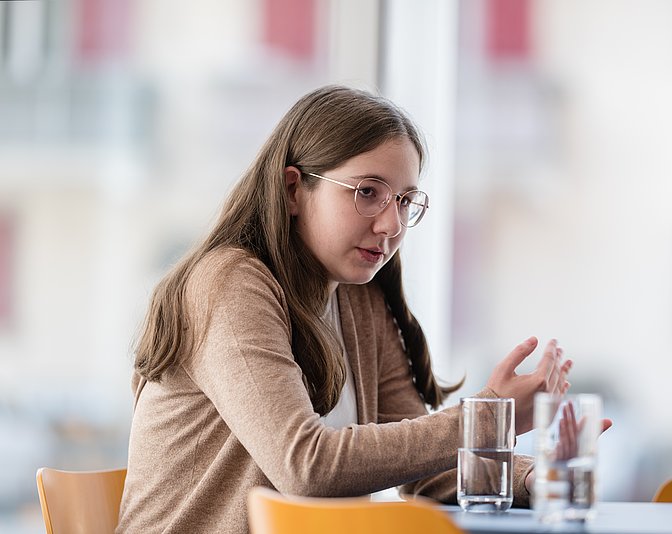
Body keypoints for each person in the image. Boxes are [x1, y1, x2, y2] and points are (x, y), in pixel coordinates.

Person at [116, 85, 574, 533]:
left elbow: (421, 466)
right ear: (294, 189)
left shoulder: (357, 295)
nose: (392, 224)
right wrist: (487, 418)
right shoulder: (228, 285)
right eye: (367, 192)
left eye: (404, 200)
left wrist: (531, 477)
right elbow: (305, 465)